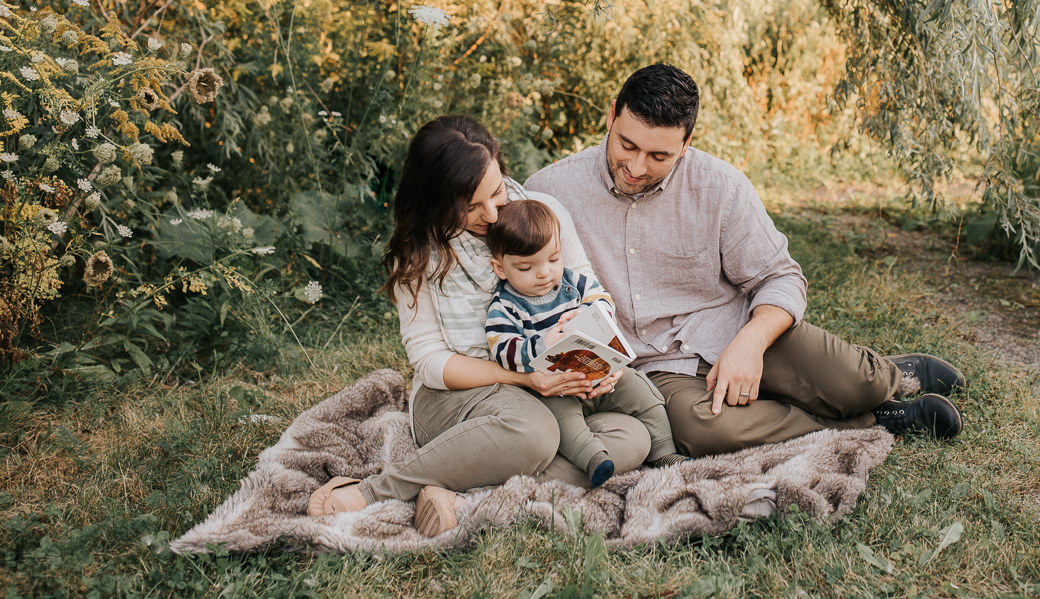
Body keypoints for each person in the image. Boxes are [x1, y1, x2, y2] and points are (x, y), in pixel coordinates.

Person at [526, 64, 965, 459]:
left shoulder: (721, 187)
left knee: (857, 383)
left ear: (687, 142)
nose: (637, 167)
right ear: (611, 115)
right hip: (650, 369)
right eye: (627, 145)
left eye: (659, 156)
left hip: (732, 328)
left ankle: (889, 374)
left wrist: (751, 344)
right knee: (702, 432)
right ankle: (874, 420)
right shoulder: (549, 192)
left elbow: (781, 276)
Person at [307, 115, 652, 536]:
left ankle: (458, 494)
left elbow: (591, 295)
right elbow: (431, 361)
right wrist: (527, 379)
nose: (491, 213)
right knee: (535, 433)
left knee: (633, 437)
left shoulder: (543, 214)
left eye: (497, 191)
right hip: (460, 392)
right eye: (469, 206)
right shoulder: (419, 256)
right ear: (437, 202)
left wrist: (600, 364)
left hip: (552, 385)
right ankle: (376, 491)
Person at [484, 199, 686, 485]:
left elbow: (602, 298)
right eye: (526, 267)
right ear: (500, 268)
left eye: (553, 259)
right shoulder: (505, 306)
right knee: (563, 421)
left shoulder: (570, 282)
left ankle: (665, 452)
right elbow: (503, 350)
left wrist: (591, 313)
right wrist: (543, 343)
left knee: (641, 389)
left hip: (595, 371)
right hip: (555, 388)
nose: (544, 273)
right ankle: (593, 459)